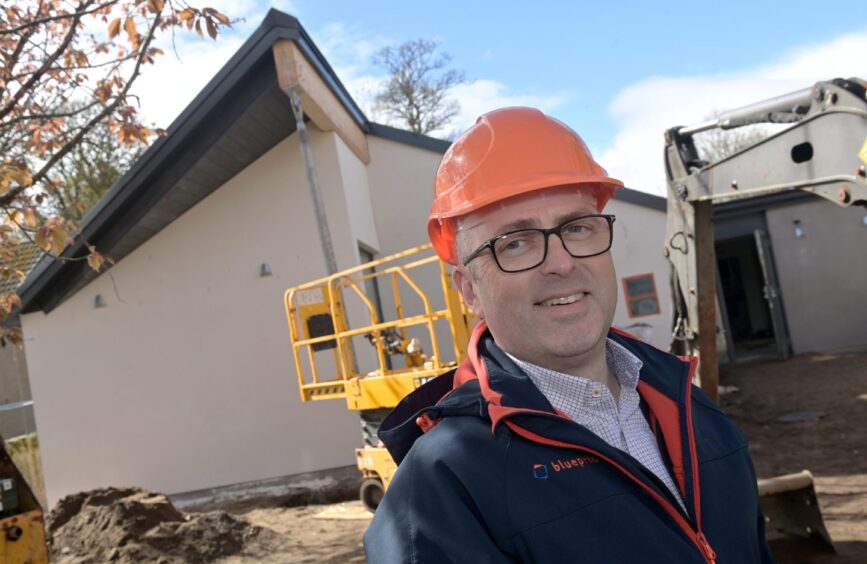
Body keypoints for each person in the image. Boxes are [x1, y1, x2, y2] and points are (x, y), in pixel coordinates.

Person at [363, 107, 773, 563]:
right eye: (515, 242)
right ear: (469, 290)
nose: (561, 262)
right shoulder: (442, 490)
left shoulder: (691, 407)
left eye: (577, 227)